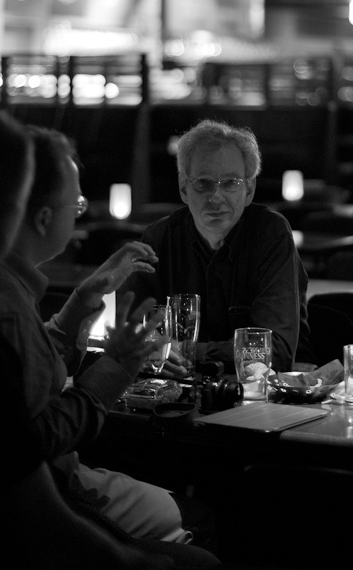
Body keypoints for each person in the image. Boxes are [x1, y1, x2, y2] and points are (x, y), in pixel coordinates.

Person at [0, 124, 208, 549]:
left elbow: (25, 376)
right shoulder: (3, 308)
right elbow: (31, 443)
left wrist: (80, 304)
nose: (80, 211)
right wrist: (116, 368)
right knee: (196, 516)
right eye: (76, 204)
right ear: (43, 219)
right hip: (39, 507)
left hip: (30, 493)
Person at [125, 119, 314, 377]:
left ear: (249, 190)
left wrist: (186, 351)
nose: (216, 197)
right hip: (174, 395)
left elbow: (275, 352)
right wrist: (150, 350)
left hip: (267, 401)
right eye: (203, 183)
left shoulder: (270, 234)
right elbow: (133, 336)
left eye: (231, 183)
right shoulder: (159, 238)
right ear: (183, 188)